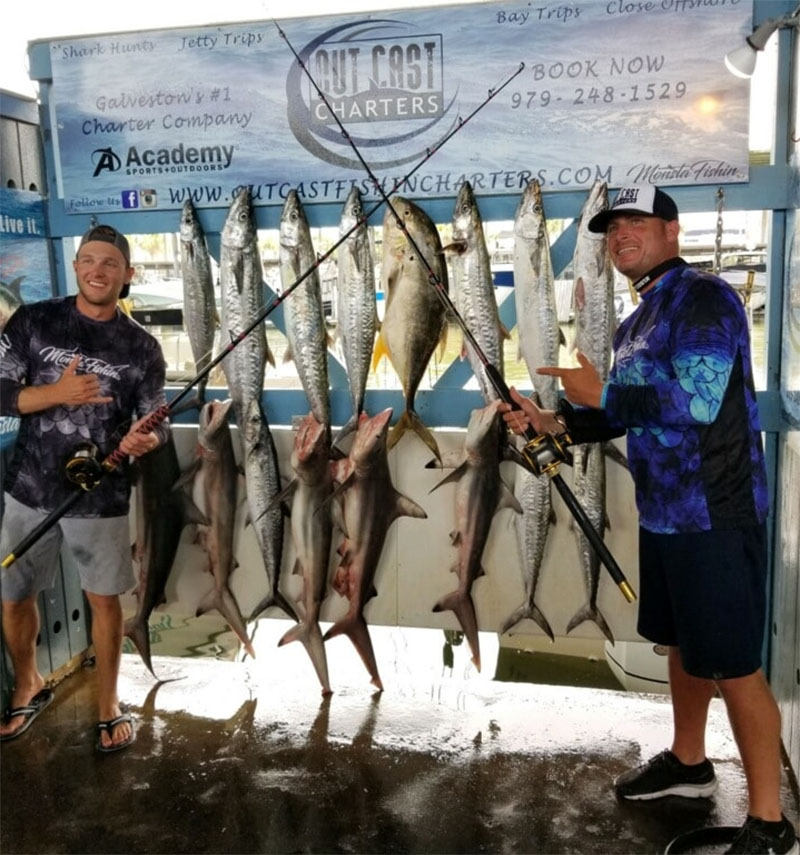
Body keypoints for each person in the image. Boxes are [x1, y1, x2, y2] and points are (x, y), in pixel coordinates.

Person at [501, 186, 798, 855]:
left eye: (635, 221)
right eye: (612, 228)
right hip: (664, 516)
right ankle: (688, 762)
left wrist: (599, 391)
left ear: (670, 228)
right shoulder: (638, 322)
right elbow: (619, 414)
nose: (621, 235)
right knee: (682, 646)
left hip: (715, 513)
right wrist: (552, 421)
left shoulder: (704, 297)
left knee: (735, 666)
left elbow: (696, 400)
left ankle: (772, 822)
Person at [0, 224, 169, 752]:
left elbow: (155, 421)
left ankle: (108, 703)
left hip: (102, 497)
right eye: (89, 260)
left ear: (127, 274)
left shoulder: (142, 347)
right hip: (28, 488)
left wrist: (147, 440)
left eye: (110, 263)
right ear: (76, 267)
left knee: (105, 601)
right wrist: (58, 392)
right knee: (13, 596)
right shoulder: (34, 320)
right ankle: (28, 682)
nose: (98, 270)